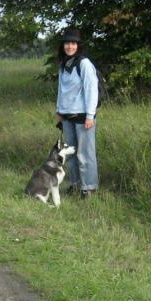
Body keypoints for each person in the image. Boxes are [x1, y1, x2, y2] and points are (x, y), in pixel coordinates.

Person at [55, 28, 99, 198]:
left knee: (85, 154)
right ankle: (75, 184)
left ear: (78, 45)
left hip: (83, 117)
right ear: (63, 46)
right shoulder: (63, 64)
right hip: (67, 116)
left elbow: (91, 90)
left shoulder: (84, 64)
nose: (70, 46)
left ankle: (89, 188)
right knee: (71, 153)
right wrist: (59, 110)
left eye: (73, 43)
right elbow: (61, 90)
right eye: (67, 43)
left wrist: (90, 115)